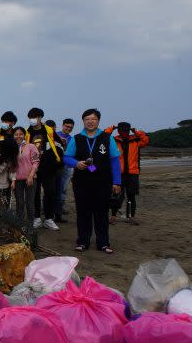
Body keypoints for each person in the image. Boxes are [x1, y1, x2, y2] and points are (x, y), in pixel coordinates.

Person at [63, 109, 122, 254]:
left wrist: (117, 182)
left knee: (101, 212)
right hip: (81, 181)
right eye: (87, 119)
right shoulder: (76, 138)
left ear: (98, 121)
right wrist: (76, 164)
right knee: (83, 212)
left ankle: (103, 243)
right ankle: (83, 241)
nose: (90, 121)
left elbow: (115, 161)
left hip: (103, 181)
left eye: (93, 119)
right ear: (83, 121)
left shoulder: (107, 138)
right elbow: (66, 158)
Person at [26, 108, 63, 230]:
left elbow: (59, 146)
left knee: (50, 192)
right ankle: (36, 218)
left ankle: (48, 219)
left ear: (41, 117)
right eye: (31, 117)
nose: (33, 119)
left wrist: (57, 163)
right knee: (34, 194)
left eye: (35, 117)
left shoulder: (50, 131)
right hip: (33, 169)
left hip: (48, 168)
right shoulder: (27, 133)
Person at [105, 122, 150, 224]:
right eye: (121, 130)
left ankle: (130, 217)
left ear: (129, 130)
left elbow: (146, 140)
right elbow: (104, 137)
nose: (124, 132)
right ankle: (113, 216)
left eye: (126, 130)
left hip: (132, 173)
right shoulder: (113, 140)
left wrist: (136, 131)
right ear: (118, 130)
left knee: (131, 196)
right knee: (116, 196)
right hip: (117, 173)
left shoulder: (135, 140)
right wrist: (111, 128)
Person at [13, 127, 39, 224]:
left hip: (30, 179)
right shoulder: (12, 147)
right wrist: (13, 180)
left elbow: (36, 162)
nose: (18, 136)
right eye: (16, 134)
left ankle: (30, 225)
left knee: (29, 203)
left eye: (20, 134)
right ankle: (20, 225)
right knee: (19, 203)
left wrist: (31, 176)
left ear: (24, 135)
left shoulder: (31, 146)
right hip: (17, 179)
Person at [55, 118, 75, 219]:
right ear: (62, 125)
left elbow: (74, 154)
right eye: (67, 126)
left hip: (67, 167)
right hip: (55, 166)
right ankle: (49, 208)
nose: (68, 128)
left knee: (63, 188)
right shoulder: (55, 135)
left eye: (71, 127)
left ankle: (60, 208)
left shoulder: (72, 139)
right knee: (53, 188)